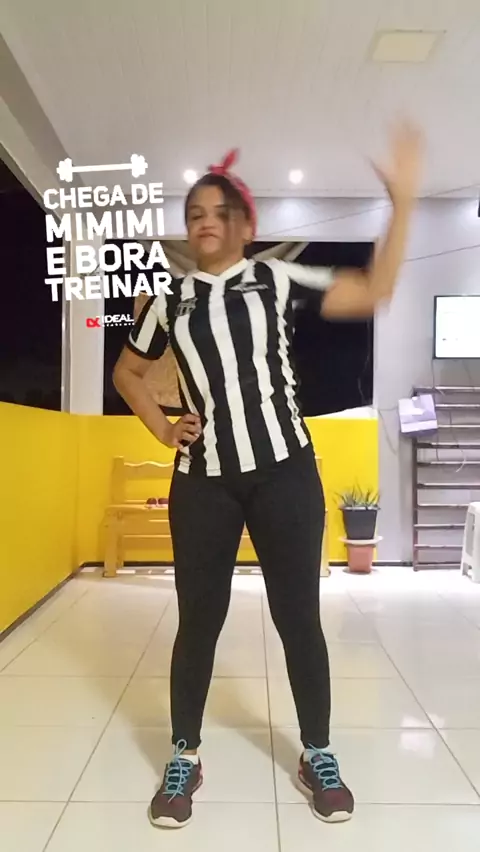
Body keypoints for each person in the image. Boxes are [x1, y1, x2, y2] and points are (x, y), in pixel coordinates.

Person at [113, 125, 422, 829]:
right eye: (195, 213)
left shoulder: (275, 281)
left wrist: (403, 203)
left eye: (219, 212)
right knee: (198, 622)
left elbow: (374, 289)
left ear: (246, 226)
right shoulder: (170, 301)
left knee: (298, 618)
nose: (205, 222)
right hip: (203, 481)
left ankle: (318, 753)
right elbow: (129, 371)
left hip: (285, 472)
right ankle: (185, 757)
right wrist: (162, 428)